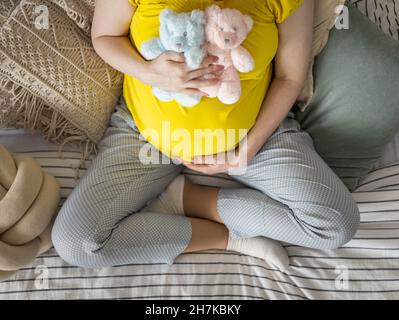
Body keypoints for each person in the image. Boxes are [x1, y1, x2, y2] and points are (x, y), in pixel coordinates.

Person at [52, 0, 360, 271]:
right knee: (76, 242)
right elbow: (105, 37)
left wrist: (248, 149)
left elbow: (289, 77)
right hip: (145, 137)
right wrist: (149, 72)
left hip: (252, 136)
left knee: (335, 225)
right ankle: (226, 237)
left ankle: (189, 199)